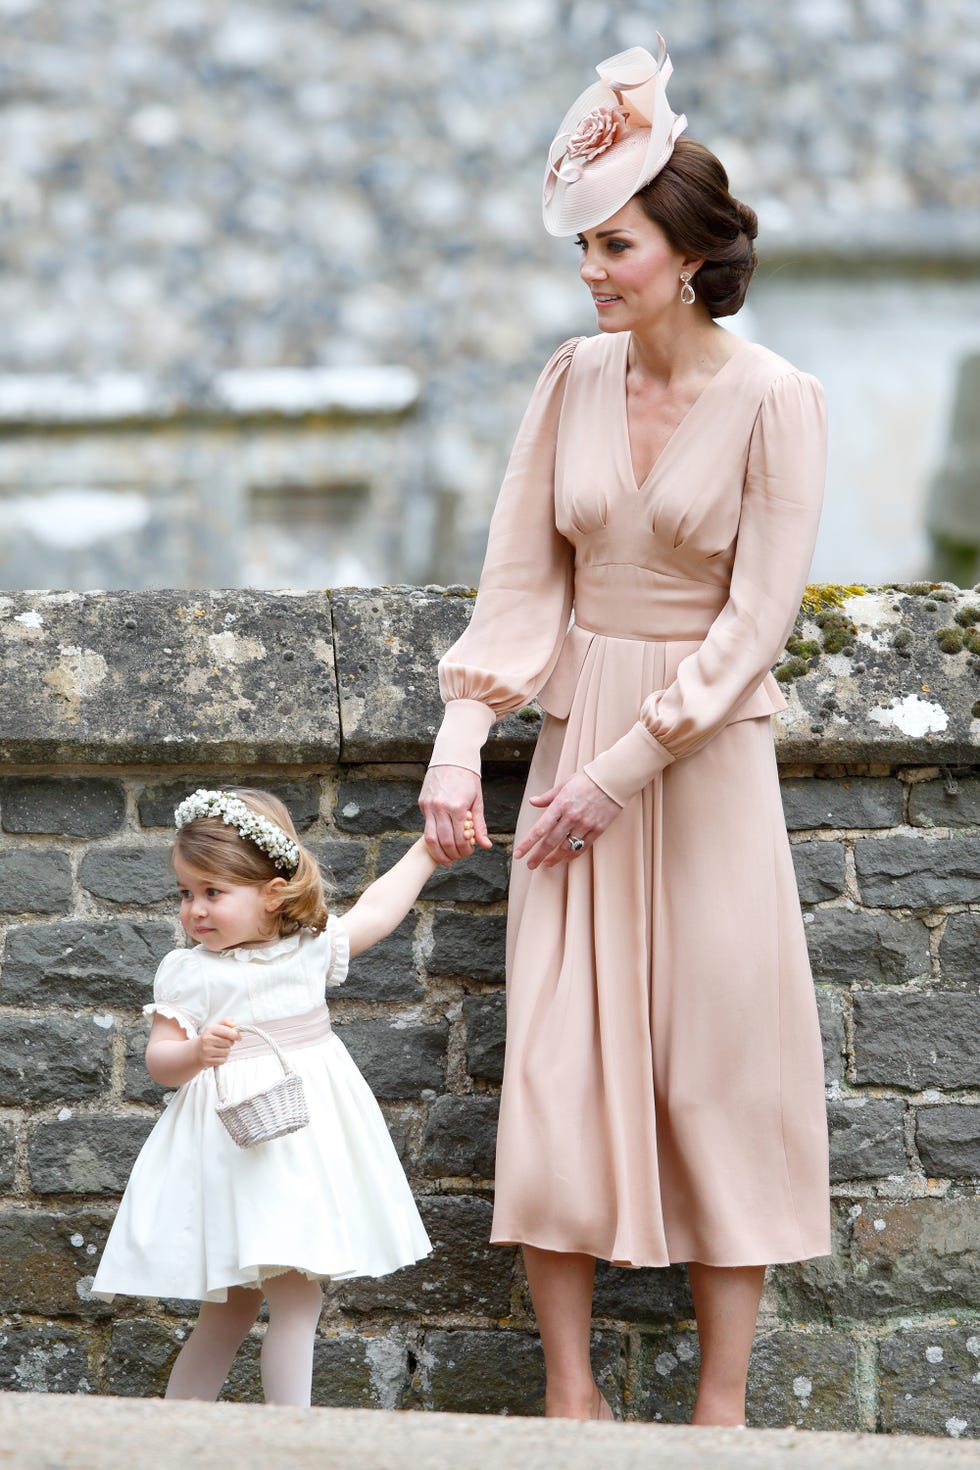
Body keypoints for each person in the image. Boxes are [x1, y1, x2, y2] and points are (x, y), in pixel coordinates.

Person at [419, 38, 830, 1427]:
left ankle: (721, 1410)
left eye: (617, 244)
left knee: (722, 1052)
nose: (593, 269)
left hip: (699, 764)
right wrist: (457, 741)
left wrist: (620, 766)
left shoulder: (779, 399)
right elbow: (521, 579)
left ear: (692, 252)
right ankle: (571, 1397)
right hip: (577, 723)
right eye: (588, 244)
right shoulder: (569, 380)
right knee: (558, 1051)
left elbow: (756, 618)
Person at [93, 787, 474, 1406]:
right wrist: (195, 1053)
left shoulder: (309, 950)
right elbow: (161, 1062)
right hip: (229, 1150)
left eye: (214, 893)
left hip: (301, 1144)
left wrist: (429, 851)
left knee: (296, 1297)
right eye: (187, 894)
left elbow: (378, 910)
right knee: (231, 1310)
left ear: (272, 892)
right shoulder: (189, 971)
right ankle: (192, 1436)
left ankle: (277, 1434)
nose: (195, 910)